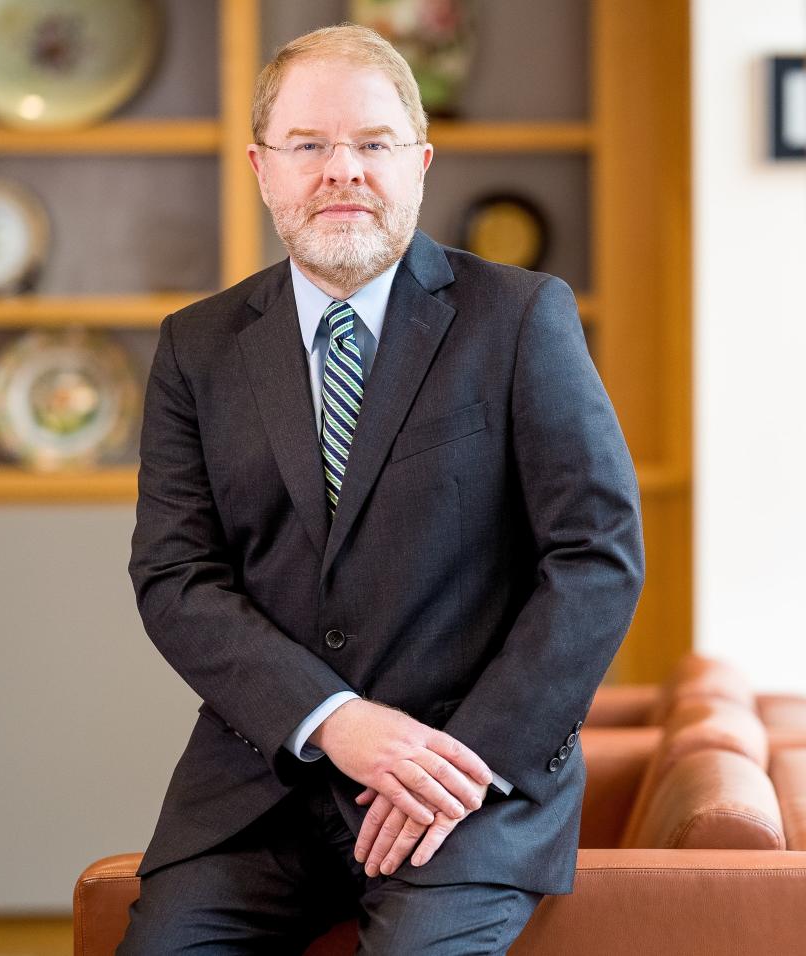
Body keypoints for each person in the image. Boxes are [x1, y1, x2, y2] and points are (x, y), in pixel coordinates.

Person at [119, 22, 645, 955]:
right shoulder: (196, 347)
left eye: (372, 144)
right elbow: (176, 577)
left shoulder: (521, 318)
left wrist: (462, 762)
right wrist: (336, 723)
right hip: (260, 789)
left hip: (464, 785)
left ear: (421, 162)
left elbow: (595, 558)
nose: (342, 170)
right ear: (261, 166)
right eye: (309, 145)